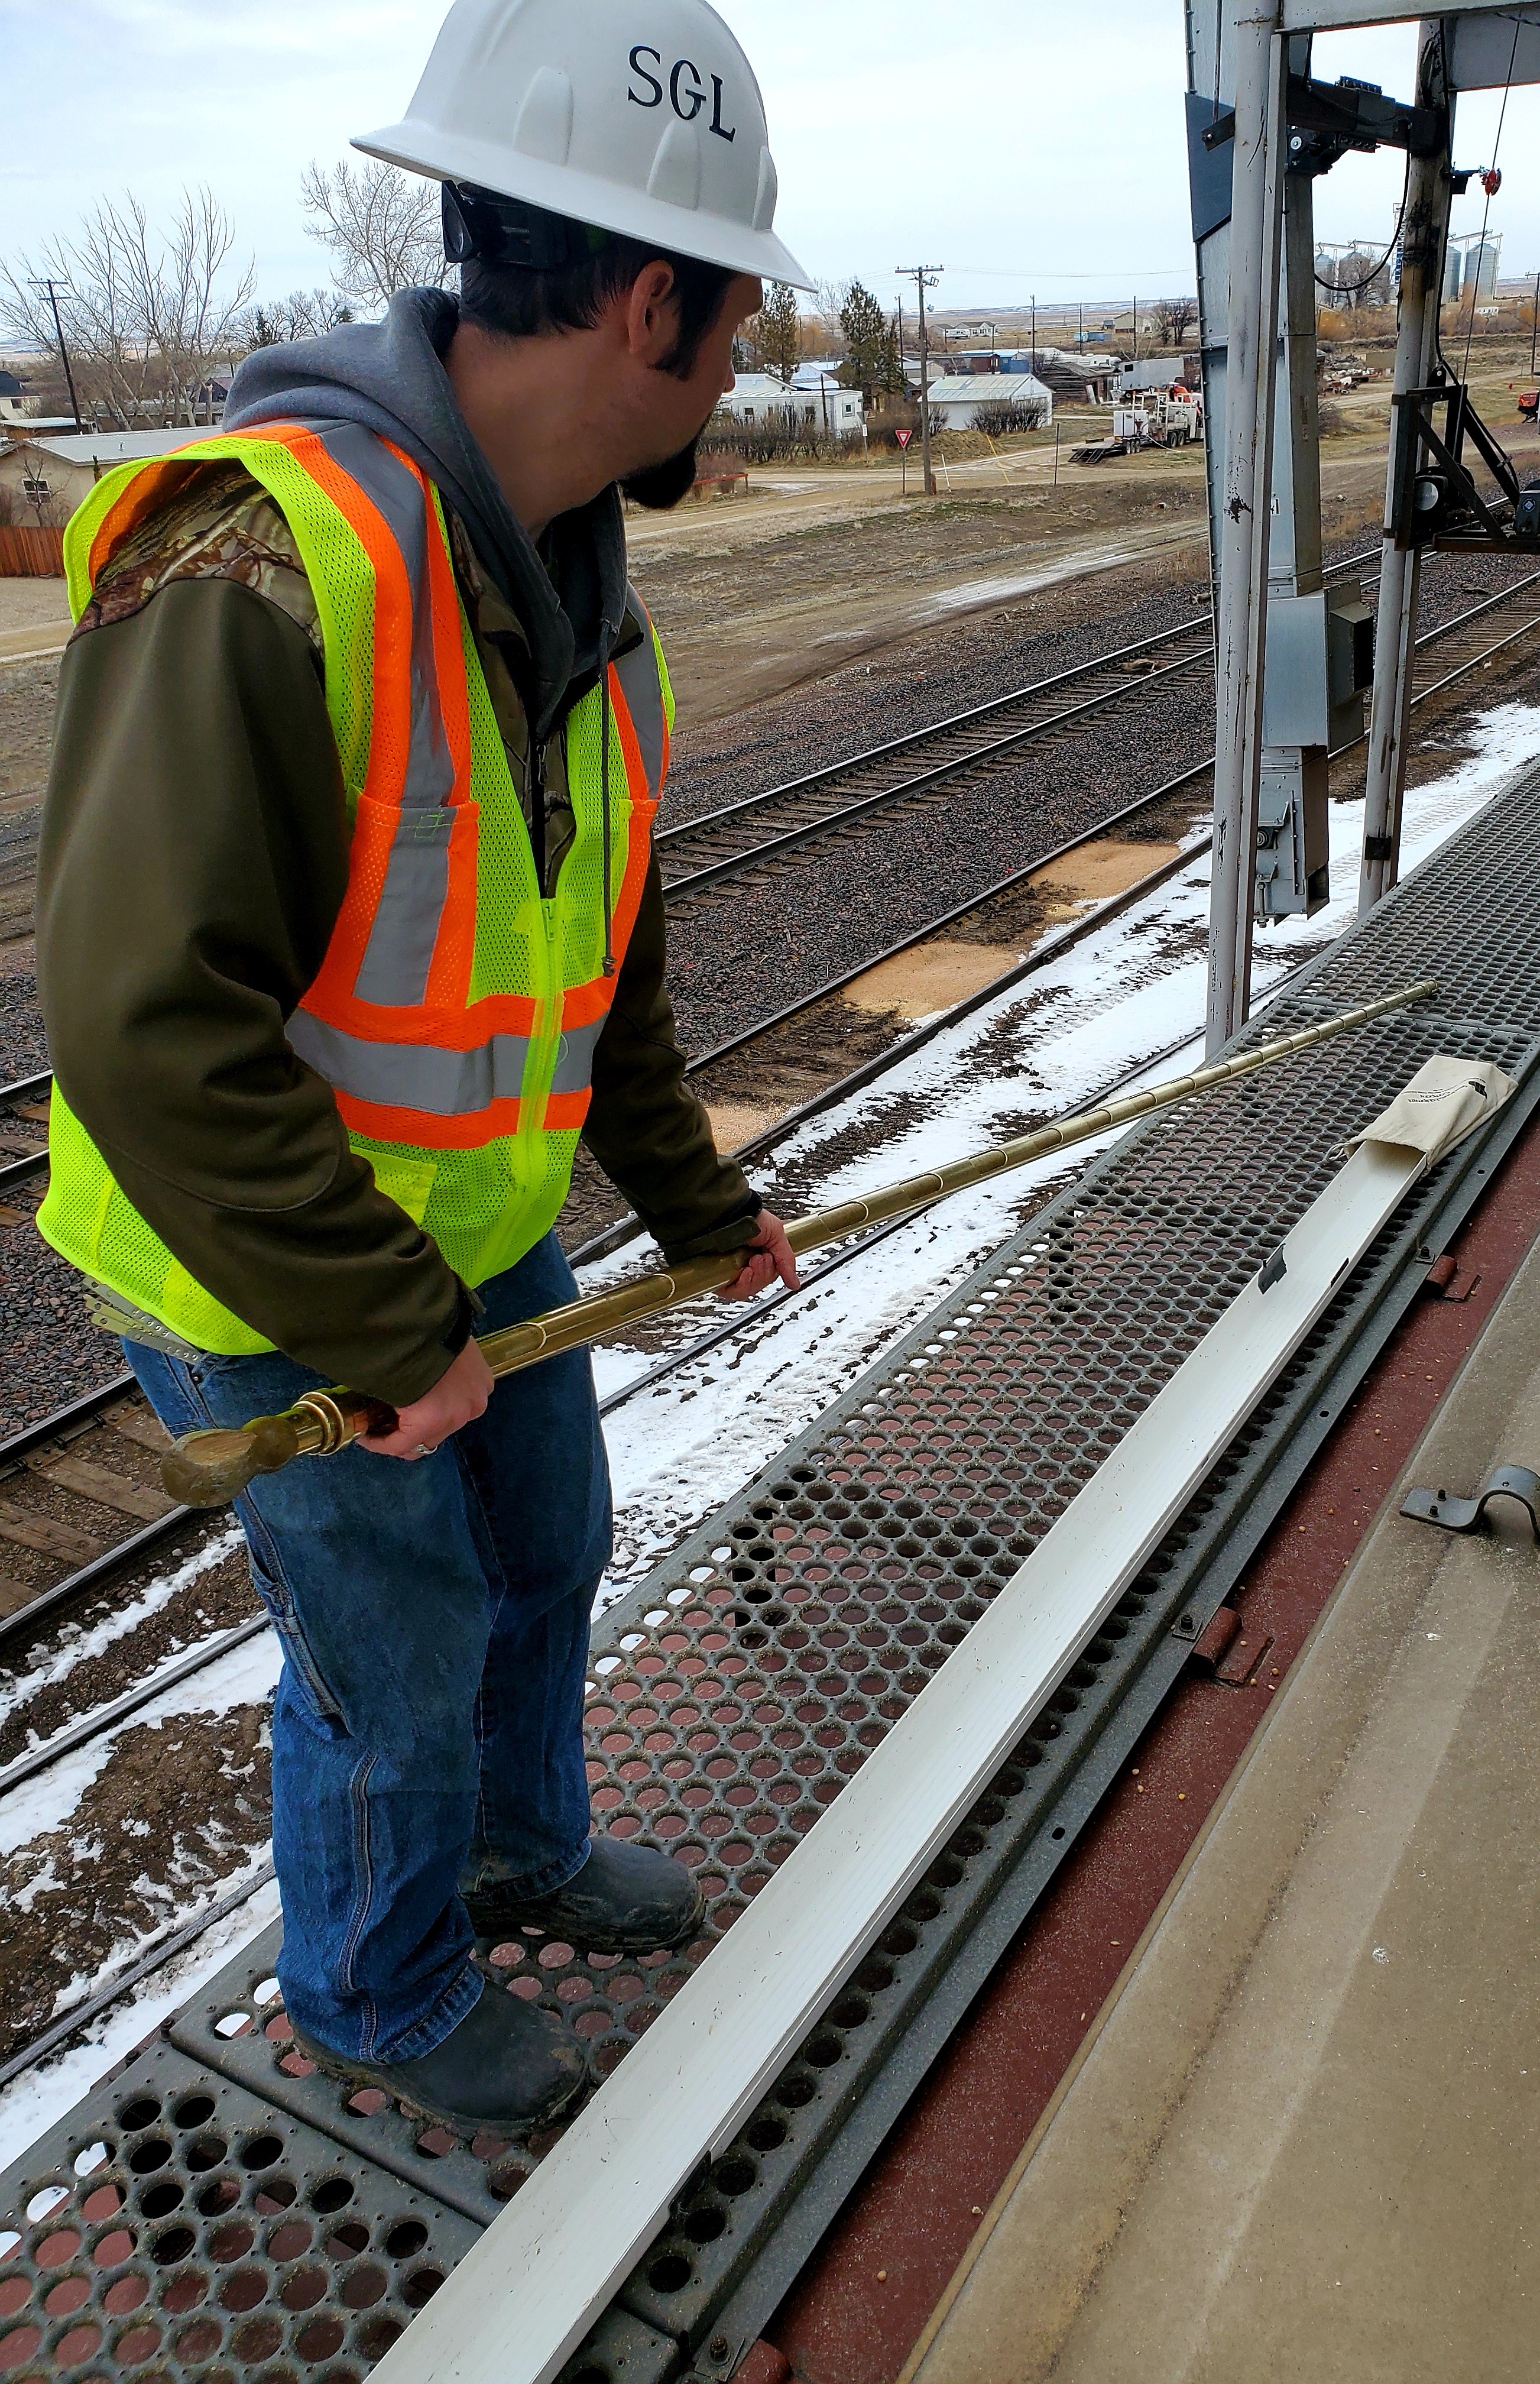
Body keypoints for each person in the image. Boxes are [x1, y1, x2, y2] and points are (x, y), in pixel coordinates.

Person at [34, 0, 812, 2141]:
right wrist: (379, 1331)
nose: (740, 362)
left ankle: (515, 1850)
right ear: (649, 301)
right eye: (733, 316)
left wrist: (697, 1202)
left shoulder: (572, 580)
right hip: (264, 1275)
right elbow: (140, 1028)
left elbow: (595, 975)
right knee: (391, 1657)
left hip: (473, 1230)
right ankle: (375, 1989)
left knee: (544, 1551)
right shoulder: (266, 565)